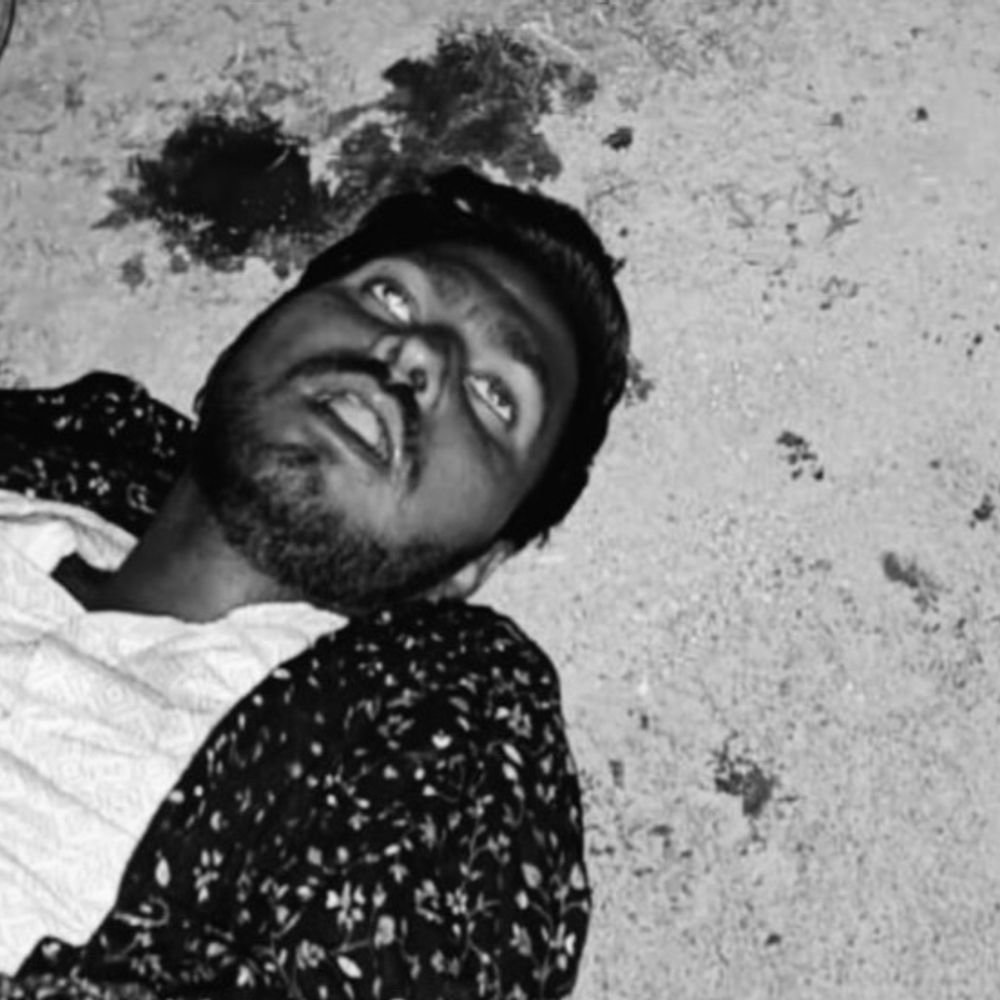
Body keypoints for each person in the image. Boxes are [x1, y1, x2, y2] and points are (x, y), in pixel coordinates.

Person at [0, 165, 630, 999]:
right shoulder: (37, 460)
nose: (421, 352)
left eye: (493, 395)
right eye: (391, 297)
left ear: (475, 564)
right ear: (250, 337)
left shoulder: (443, 754)